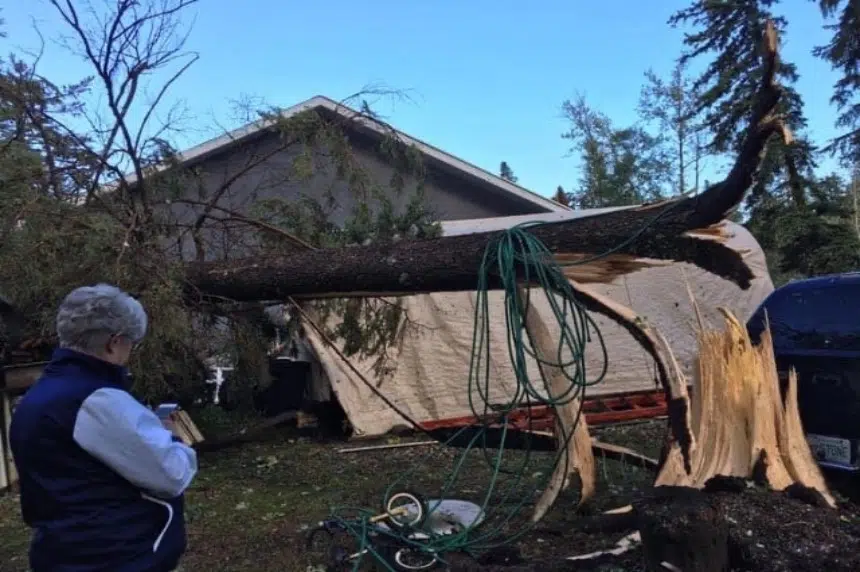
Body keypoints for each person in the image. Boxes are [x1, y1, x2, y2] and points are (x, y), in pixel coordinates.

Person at [9, 284, 198, 572]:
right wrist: (176, 442)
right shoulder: (98, 400)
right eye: (131, 343)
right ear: (113, 343)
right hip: (118, 556)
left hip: (61, 552)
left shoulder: (38, 395)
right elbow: (170, 473)